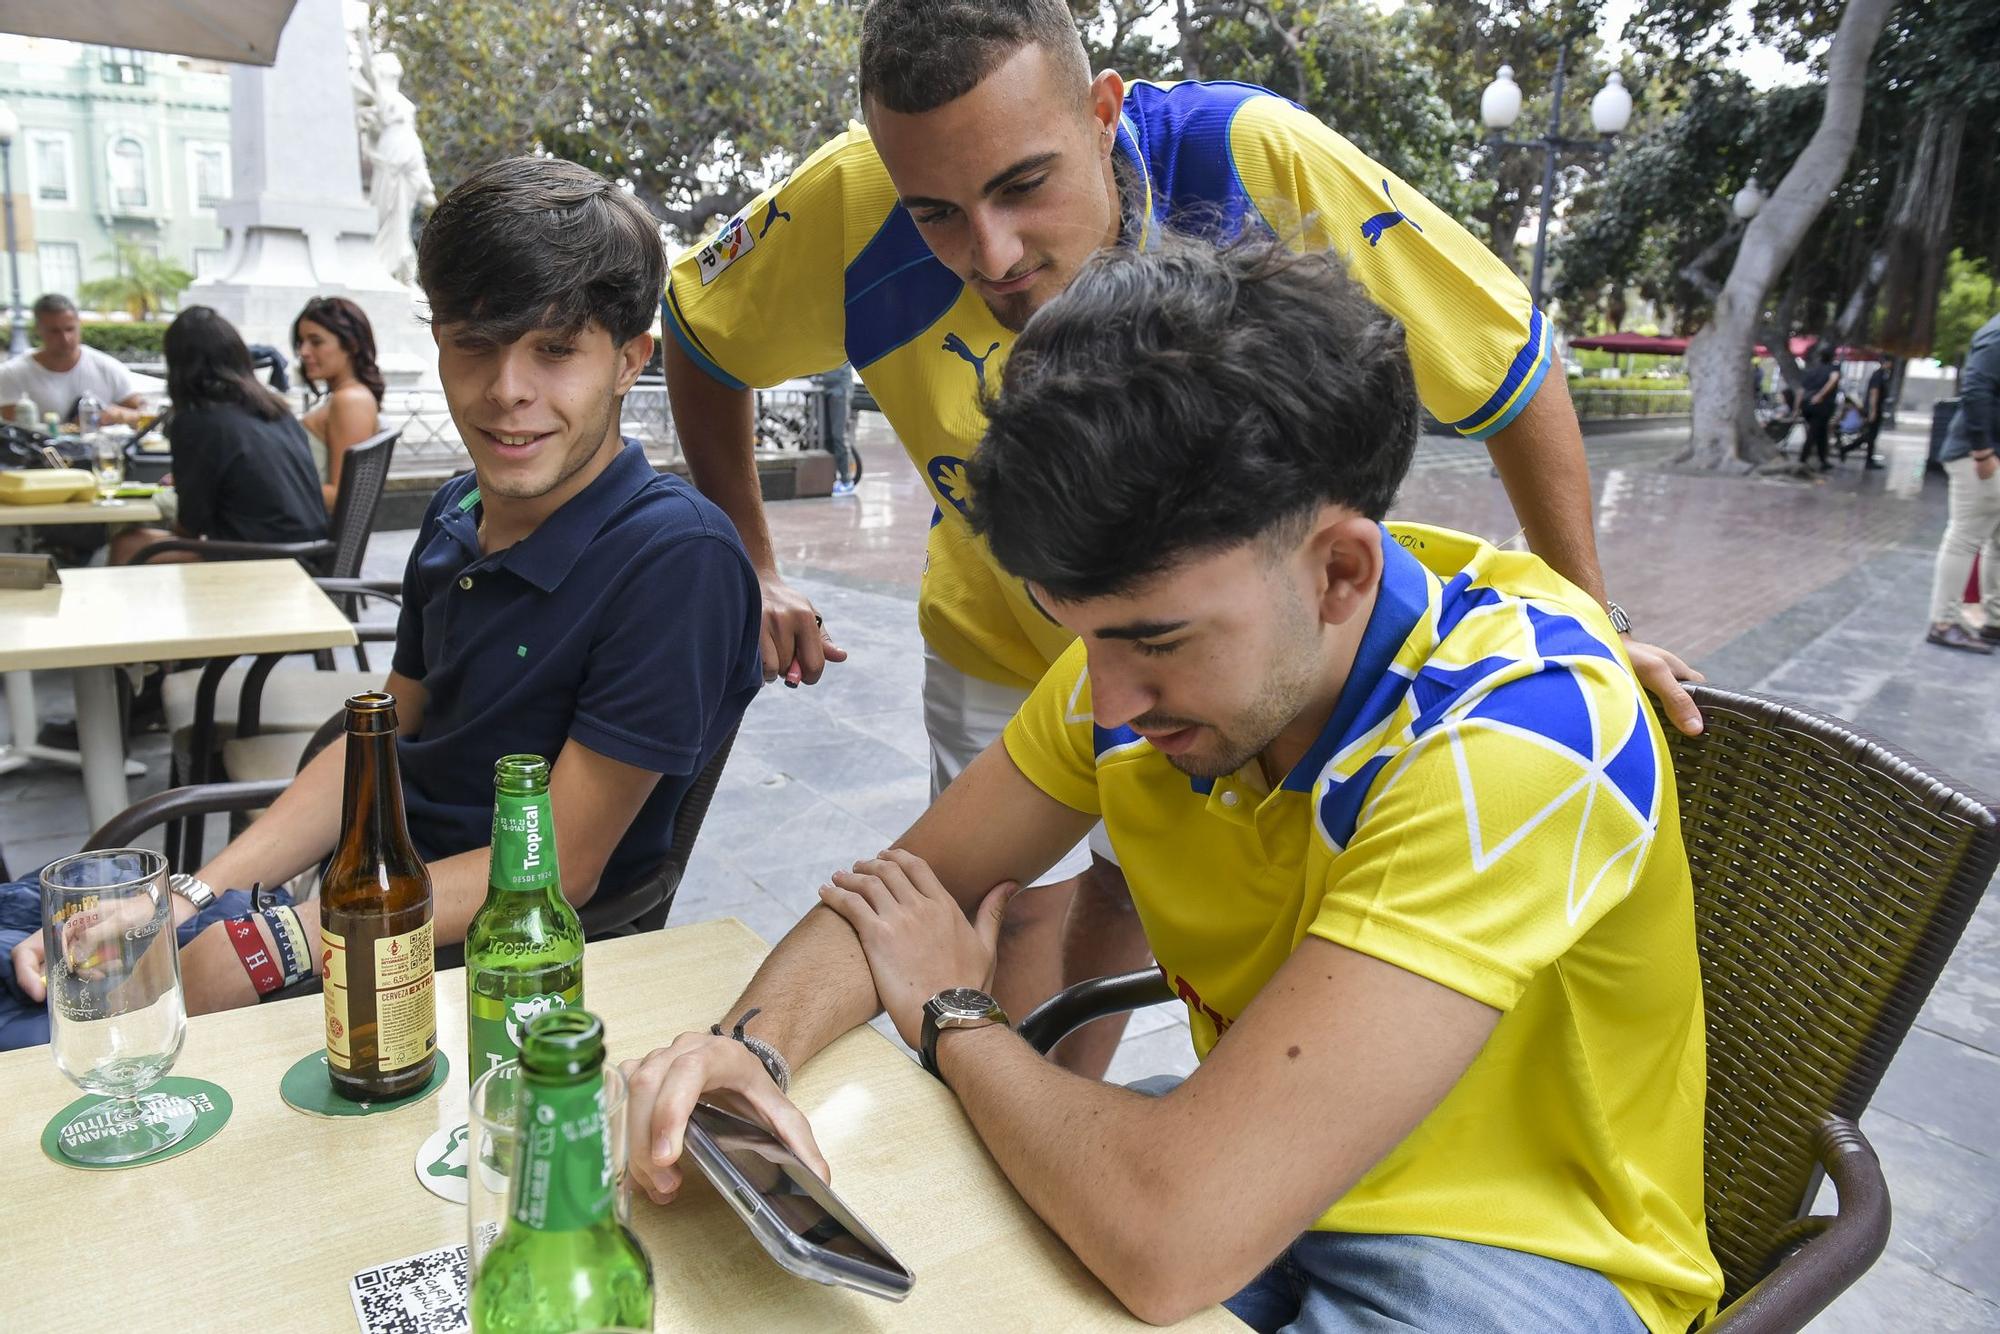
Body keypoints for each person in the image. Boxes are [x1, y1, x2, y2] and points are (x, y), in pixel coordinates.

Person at [623, 237, 1723, 1333]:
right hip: (1241, 1173)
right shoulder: (1141, 661)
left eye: (1156, 641)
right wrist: (746, 1048)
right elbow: (898, 896)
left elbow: (1170, 1236)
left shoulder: (1513, 736)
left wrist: (956, 1014)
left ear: (1340, 571)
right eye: (1081, 634)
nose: (1106, 702)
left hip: (1525, 1249)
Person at [661, 0, 1705, 1077]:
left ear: (1104, 112)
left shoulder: (1256, 160)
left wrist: (1587, 618)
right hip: (1005, 633)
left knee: (1131, 890)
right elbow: (699, 325)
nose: (993, 253)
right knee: (1002, 902)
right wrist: (756, 558)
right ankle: (1035, 1127)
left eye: (1024, 184)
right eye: (932, 211)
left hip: (1223, 645)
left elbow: (1504, 357)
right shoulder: (846, 203)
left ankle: (1058, 1102)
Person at [3, 155, 763, 1033]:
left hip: (469, 968)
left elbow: (562, 865)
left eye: (556, 351)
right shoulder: (458, 510)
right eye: (474, 342)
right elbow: (382, 741)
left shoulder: (675, 559)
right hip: (350, 901)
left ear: (630, 360)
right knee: (49, 941)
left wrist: (280, 943)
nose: (508, 391)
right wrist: (189, 893)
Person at [105, 307, 330, 566]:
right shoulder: (276, 409)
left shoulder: (198, 421)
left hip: (265, 560)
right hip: (311, 553)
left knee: (127, 545)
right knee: (139, 542)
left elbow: (190, 526)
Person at [1925, 311, 2000, 654]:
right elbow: (1975, 388)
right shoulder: (1997, 334)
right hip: (1979, 456)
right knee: (1965, 537)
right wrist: (1982, 451)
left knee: (1996, 540)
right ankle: (1944, 622)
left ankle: (1994, 621)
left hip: (1990, 452)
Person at [293, 295, 387, 510]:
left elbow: (343, 495)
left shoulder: (350, 401)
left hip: (305, 536)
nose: (304, 352)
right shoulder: (345, 396)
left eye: (316, 342)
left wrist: (274, 484)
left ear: (351, 345)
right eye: (301, 342)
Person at [0, 293, 147, 426]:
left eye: (70, 329)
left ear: (79, 324)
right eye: (54, 331)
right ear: (38, 329)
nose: (65, 338)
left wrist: (118, 415)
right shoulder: (11, 374)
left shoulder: (108, 367)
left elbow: (144, 413)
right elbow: (12, 432)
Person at [1796, 343, 1841, 472]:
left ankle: (1823, 460)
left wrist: (1797, 408)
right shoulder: (1834, 367)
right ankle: (1802, 459)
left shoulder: (1812, 370)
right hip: (1822, 406)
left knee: (1821, 433)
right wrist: (1821, 395)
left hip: (1807, 405)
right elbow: (1833, 379)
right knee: (1814, 433)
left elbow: (1800, 390)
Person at [1856, 360, 1890, 470]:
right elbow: (1874, 393)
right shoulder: (1878, 375)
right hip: (1874, 409)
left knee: (1870, 435)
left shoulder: (1881, 375)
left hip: (1875, 408)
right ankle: (1867, 460)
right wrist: (1873, 410)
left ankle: (1868, 459)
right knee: (1870, 435)